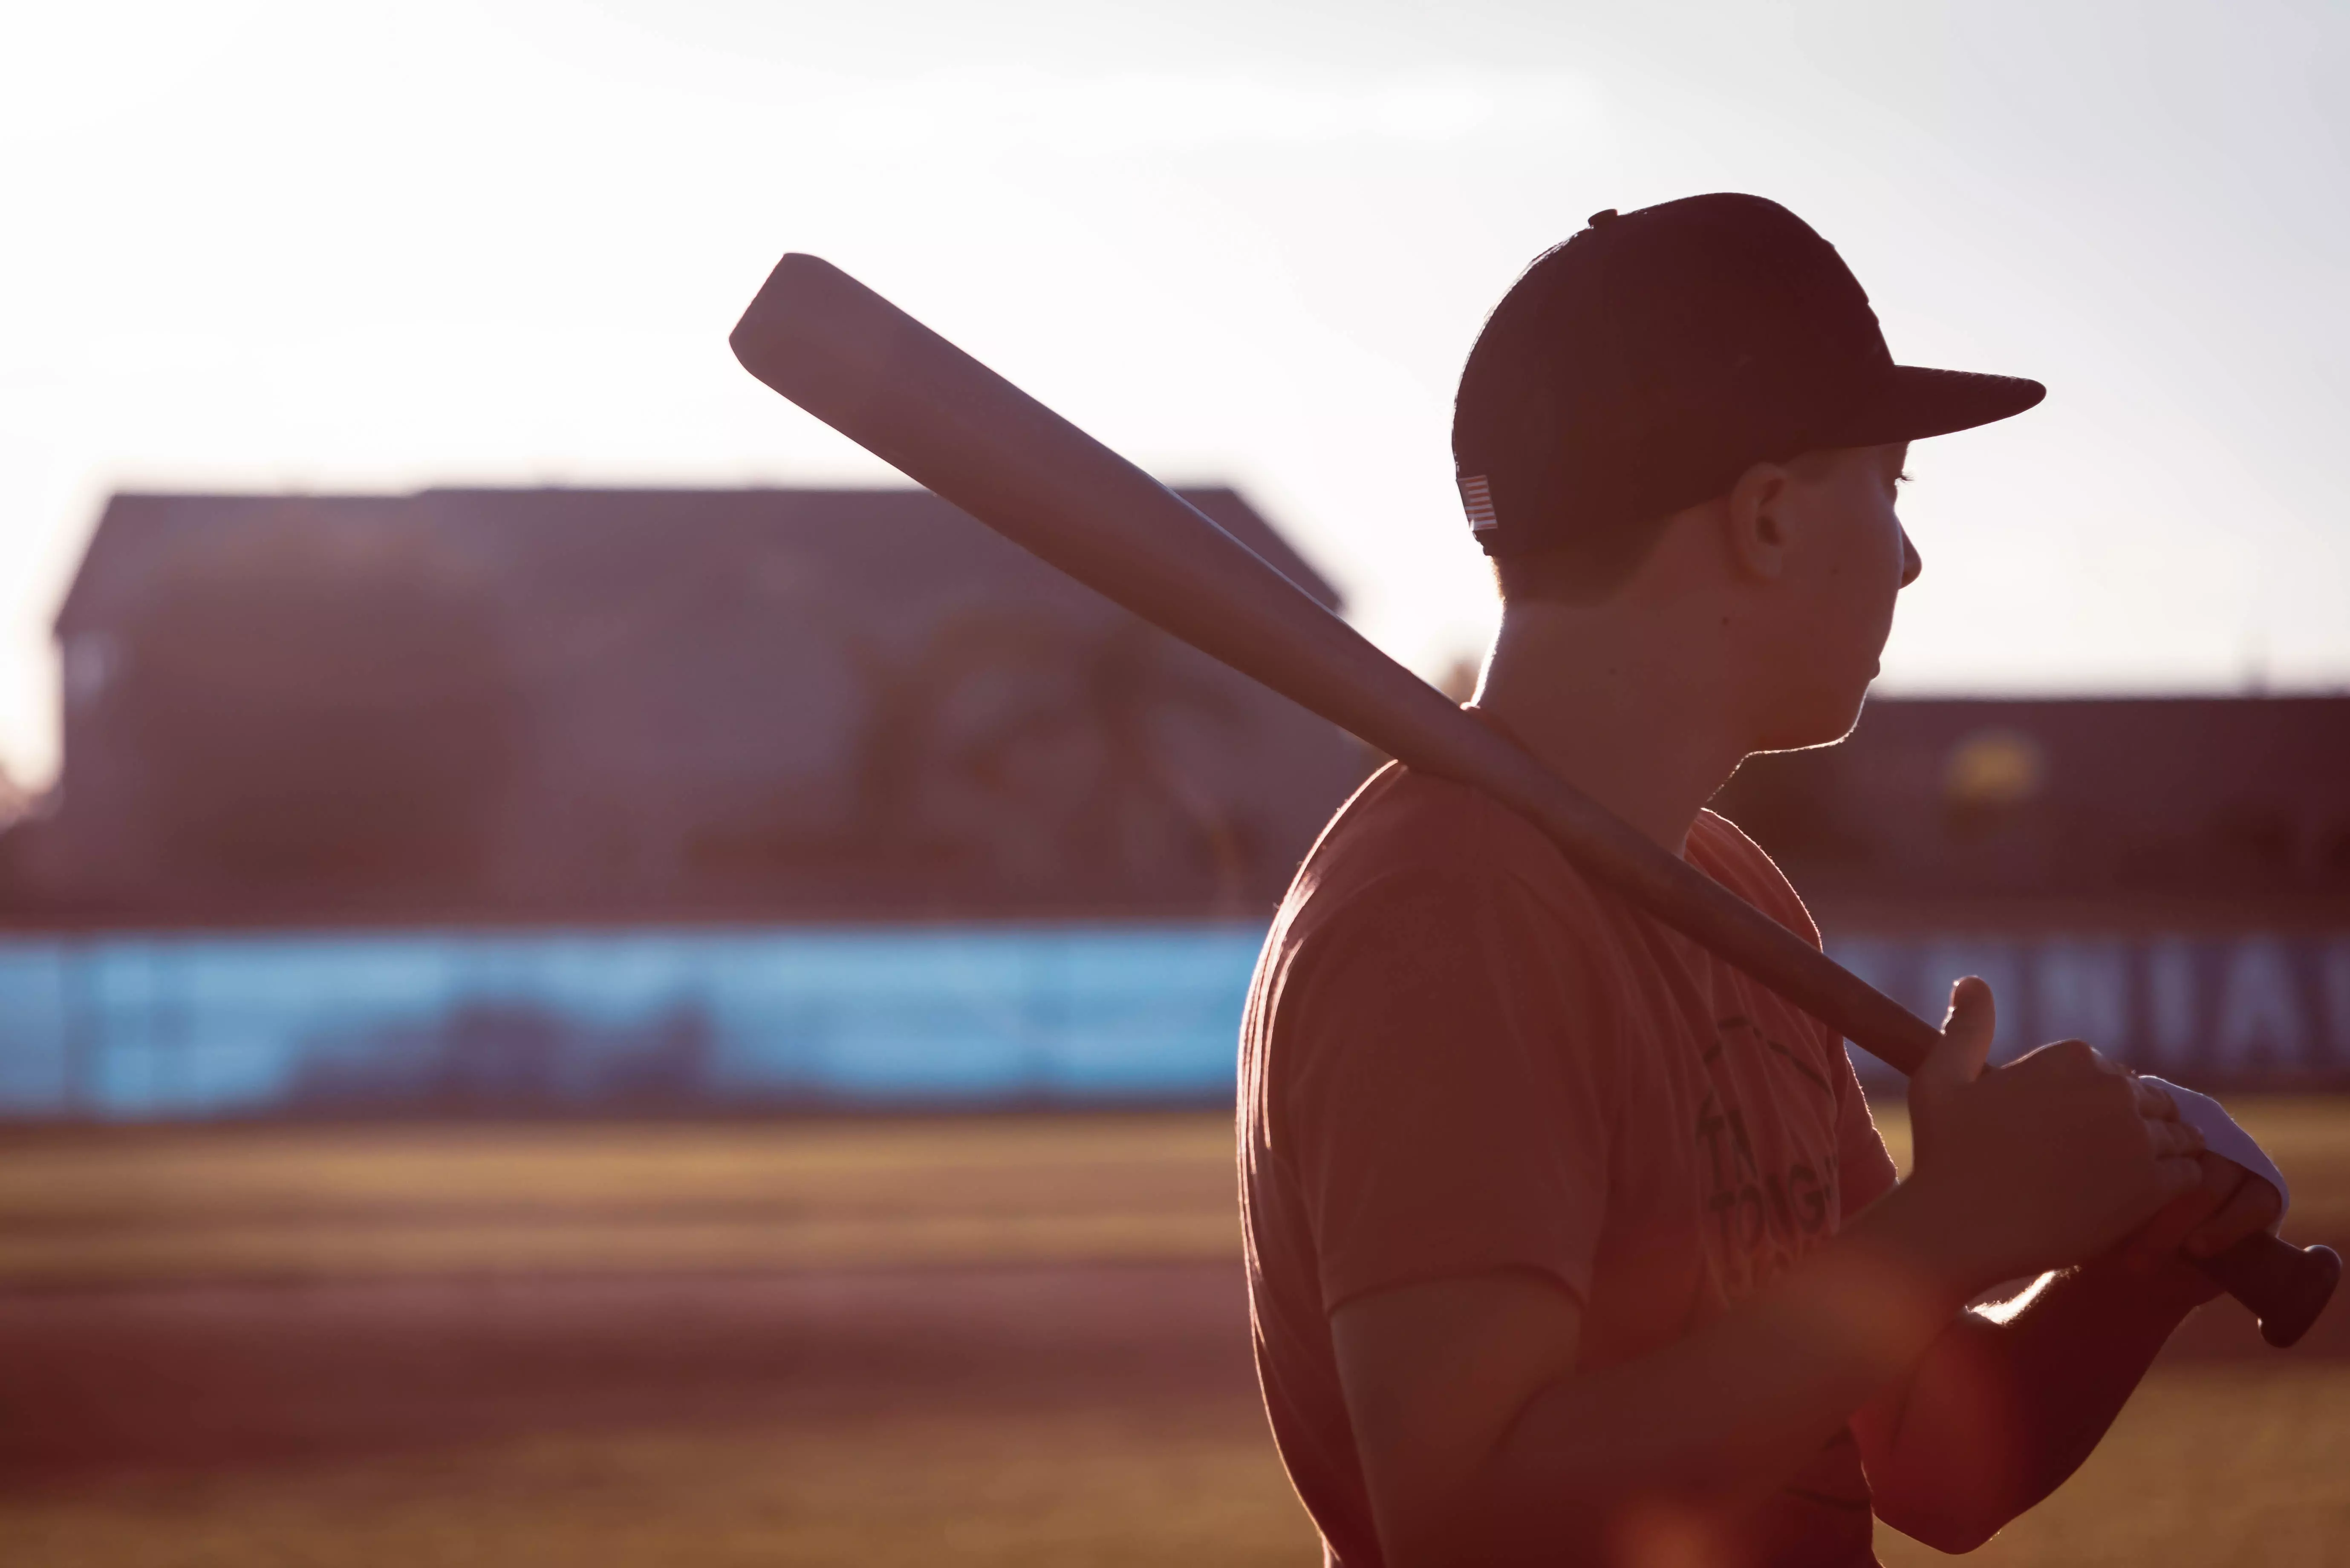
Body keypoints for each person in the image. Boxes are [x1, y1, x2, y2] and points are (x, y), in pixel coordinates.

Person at [1236, 193, 2282, 1568]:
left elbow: (1929, 1460)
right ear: (1771, 518)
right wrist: (1946, 1233)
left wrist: (2124, 1273)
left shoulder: (1726, 891)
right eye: (1891, 486)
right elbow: (1470, 1522)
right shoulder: (1447, 912)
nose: (1908, 555)